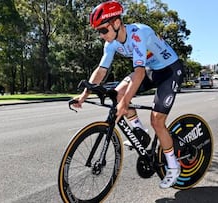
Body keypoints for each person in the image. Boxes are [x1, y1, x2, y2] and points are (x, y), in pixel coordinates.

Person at [72, 1, 184, 189]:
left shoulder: (138, 34)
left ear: (116, 23)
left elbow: (138, 74)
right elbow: (101, 70)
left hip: (170, 70)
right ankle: (140, 132)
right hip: (152, 69)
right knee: (117, 94)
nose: (101, 35)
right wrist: (84, 95)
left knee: (157, 121)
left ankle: (173, 166)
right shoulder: (111, 43)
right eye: (98, 31)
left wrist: (124, 105)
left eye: (103, 30)